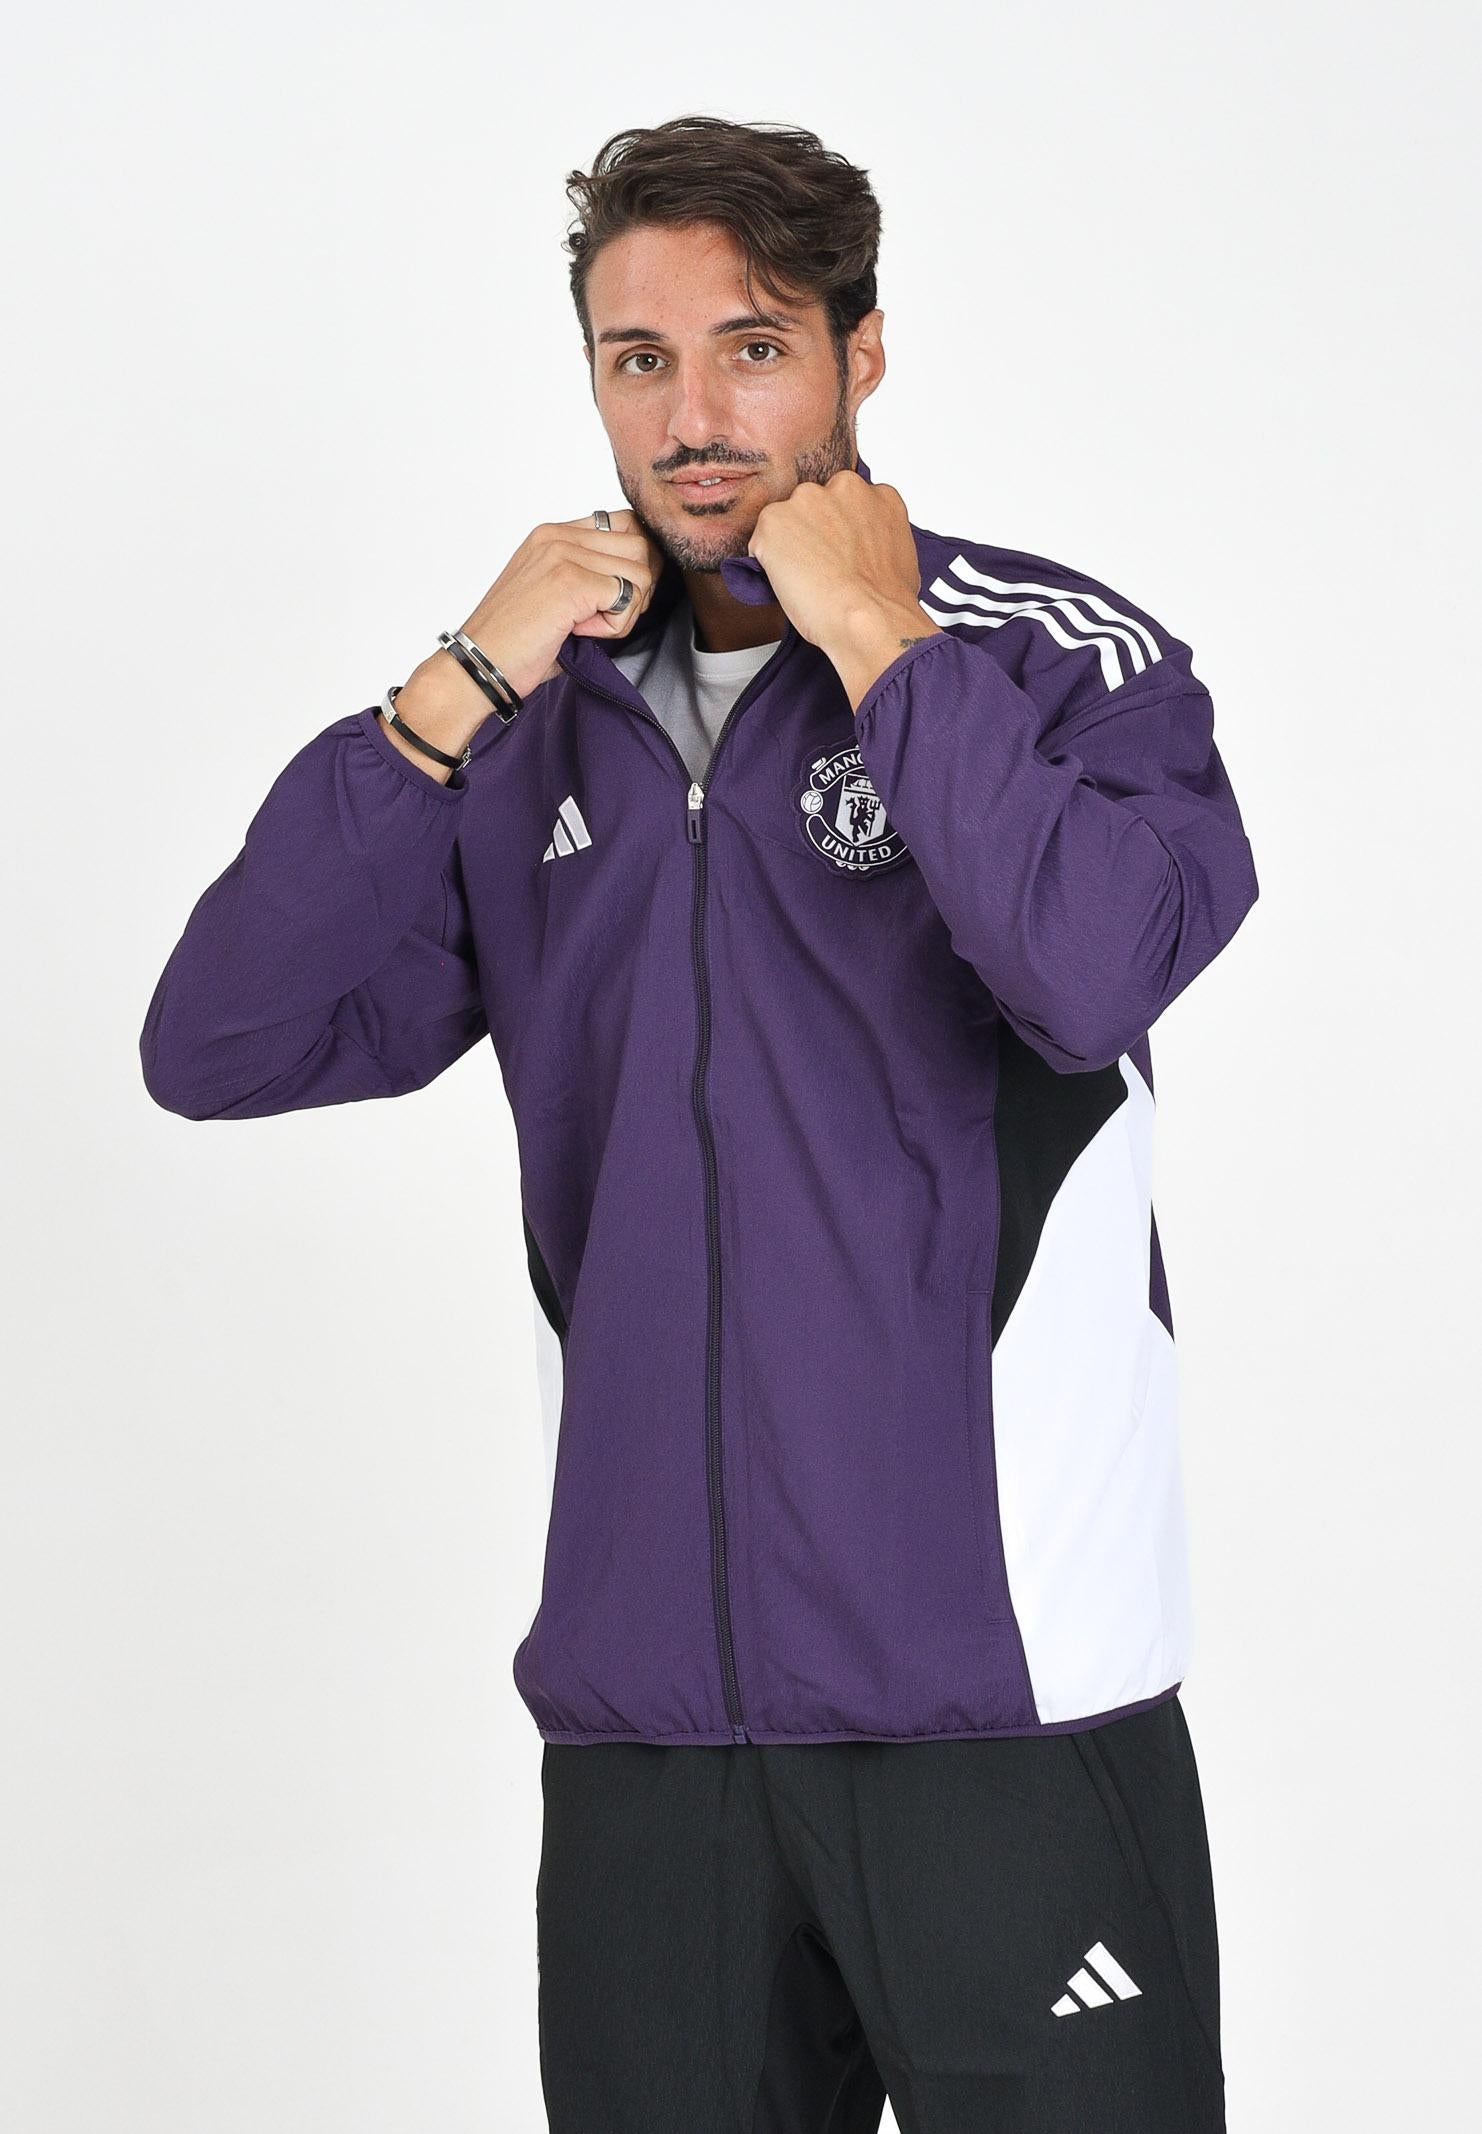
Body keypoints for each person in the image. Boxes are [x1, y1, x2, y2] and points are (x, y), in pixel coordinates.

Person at [140, 112, 1258, 2132]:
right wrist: (451, 689)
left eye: (752, 347)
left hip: (1000, 1704)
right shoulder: (527, 722)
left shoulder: (1042, 658)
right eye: (637, 359)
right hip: (654, 1738)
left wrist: (882, 640)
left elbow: (1099, 965)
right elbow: (221, 1035)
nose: (692, 415)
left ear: (860, 352)